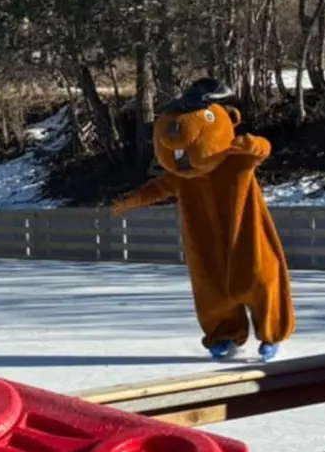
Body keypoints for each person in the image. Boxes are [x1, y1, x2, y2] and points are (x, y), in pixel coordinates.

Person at [111, 78, 295, 361]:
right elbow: (158, 188)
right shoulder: (183, 178)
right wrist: (129, 201)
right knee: (212, 290)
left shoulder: (235, 160)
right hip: (204, 243)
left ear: (230, 120)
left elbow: (263, 149)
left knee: (260, 279)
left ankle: (272, 335)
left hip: (245, 235)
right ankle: (224, 334)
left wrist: (252, 144)